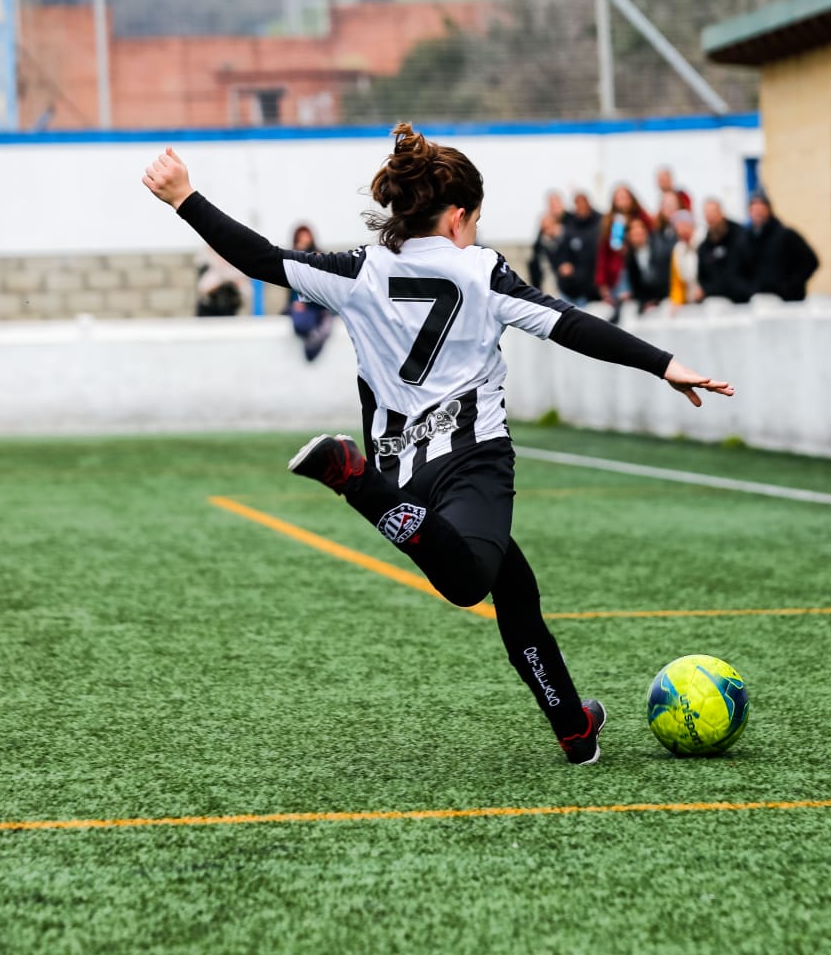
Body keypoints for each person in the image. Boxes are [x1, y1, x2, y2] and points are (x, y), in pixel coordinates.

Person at [142, 125, 734, 765]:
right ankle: (350, 476)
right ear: (457, 218)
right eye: (474, 221)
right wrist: (662, 363)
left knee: (513, 584)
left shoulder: (360, 271)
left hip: (405, 472)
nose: (475, 233)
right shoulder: (482, 271)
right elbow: (568, 323)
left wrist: (186, 198)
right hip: (471, 456)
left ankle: (573, 725)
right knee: (466, 581)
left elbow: (261, 259)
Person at [741, 190, 819, 302]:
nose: (758, 213)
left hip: (787, 302)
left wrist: (791, 286)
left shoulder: (786, 235)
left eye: (761, 208)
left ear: (769, 210)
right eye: (754, 209)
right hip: (757, 302)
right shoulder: (745, 239)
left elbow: (811, 261)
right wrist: (749, 290)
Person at [594, 184, 654, 323]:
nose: (622, 201)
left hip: (639, 268)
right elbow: (603, 254)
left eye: (625, 197)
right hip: (617, 273)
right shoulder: (611, 222)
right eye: (618, 198)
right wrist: (602, 283)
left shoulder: (642, 218)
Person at [281, 223, 335, 361]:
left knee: (320, 323)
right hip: (300, 303)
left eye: (306, 236)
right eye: (301, 236)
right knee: (300, 323)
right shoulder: (291, 256)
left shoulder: (319, 255)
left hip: (316, 303)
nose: (304, 239)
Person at [696, 198, 750, 303]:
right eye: (707, 214)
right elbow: (702, 277)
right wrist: (708, 291)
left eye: (713, 212)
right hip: (718, 303)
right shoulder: (704, 247)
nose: (710, 217)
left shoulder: (741, 236)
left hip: (743, 301)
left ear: (722, 212)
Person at [555, 191, 601, 306]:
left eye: (583, 203)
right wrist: (564, 264)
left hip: (596, 288)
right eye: (577, 204)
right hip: (574, 287)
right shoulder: (570, 226)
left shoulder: (601, 222)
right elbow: (562, 253)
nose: (581, 207)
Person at [622, 215, 672, 313]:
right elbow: (635, 283)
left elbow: (664, 276)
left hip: (664, 297)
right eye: (634, 234)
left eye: (640, 233)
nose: (638, 237)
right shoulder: (630, 256)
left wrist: (656, 300)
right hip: (646, 300)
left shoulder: (659, 247)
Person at [194, 246, 246, 317]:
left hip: (228, 308)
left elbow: (245, 290)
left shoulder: (235, 270)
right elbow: (203, 289)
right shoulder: (210, 269)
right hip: (209, 309)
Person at [667, 209, 700, 307]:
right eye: (678, 227)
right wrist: (676, 301)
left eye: (685, 225)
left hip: (706, 297)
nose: (682, 230)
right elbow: (677, 282)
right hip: (689, 302)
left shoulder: (703, 243)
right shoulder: (678, 250)